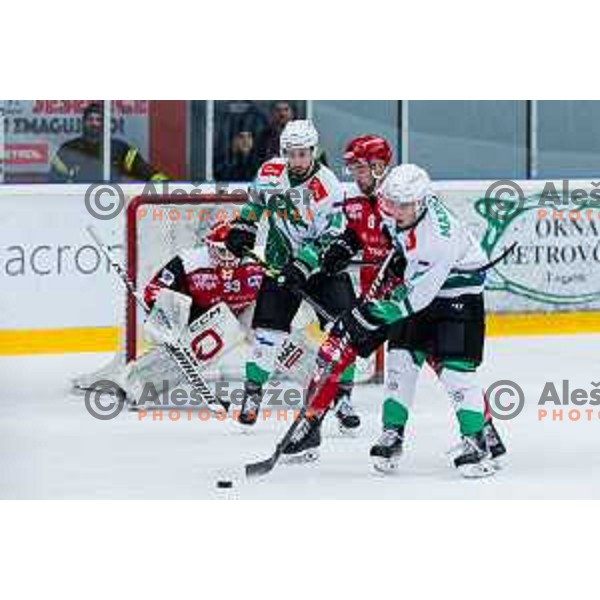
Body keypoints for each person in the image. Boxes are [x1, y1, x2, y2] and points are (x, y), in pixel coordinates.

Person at [281, 164, 507, 478]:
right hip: (419, 286)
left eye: (404, 205)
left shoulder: (436, 240)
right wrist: (347, 246)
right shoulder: (399, 208)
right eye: (391, 204)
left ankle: (478, 442)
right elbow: (386, 237)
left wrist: (366, 315)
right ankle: (393, 434)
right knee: (400, 360)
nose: (394, 211)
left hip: (457, 294)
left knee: (456, 371)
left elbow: (413, 301)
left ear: (423, 202)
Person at [225, 119, 361, 433]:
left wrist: (303, 265)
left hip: (323, 268)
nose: (297, 160)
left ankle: (342, 398)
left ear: (313, 151)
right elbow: (254, 205)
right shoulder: (270, 173)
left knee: (345, 329)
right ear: (283, 151)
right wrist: (242, 228)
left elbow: (331, 235)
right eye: (291, 153)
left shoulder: (327, 185)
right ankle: (253, 394)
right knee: (268, 332)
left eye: (303, 153)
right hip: (278, 263)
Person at [122, 221, 265, 405]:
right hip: (206, 318)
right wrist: (169, 318)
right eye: (221, 251)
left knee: (276, 327)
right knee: (207, 339)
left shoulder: (259, 261)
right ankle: (138, 385)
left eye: (232, 251)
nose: (227, 257)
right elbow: (153, 290)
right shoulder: (189, 262)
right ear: (209, 247)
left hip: (248, 309)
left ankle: (311, 378)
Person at [49, 102, 168, 183]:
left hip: (112, 204)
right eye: (90, 119)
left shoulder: (120, 149)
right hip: (78, 206)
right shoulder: (68, 149)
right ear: (83, 123)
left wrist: (168, 186)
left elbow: (145, 170)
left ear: (105, 123)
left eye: (98, 120)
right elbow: (54, 181)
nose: (94, 123)